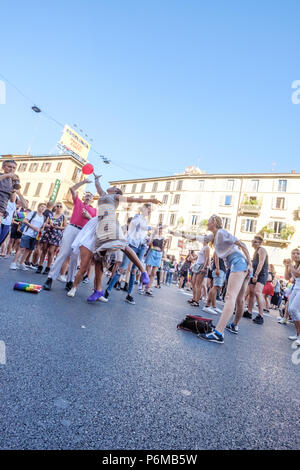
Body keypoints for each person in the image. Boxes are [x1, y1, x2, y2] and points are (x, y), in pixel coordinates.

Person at [67, 176, 160, 301]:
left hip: (109, 223)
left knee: (123, 246)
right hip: (101, 226)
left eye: (115, 187)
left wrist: (151, 200)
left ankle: (143, 271)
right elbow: (98, 187)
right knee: (100, 258)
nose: (112, 185)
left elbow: (132, 199)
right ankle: (98, 291)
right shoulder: (104, 194)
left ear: (115, 191)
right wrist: (96, 180)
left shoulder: (115, 197)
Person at [170, 214, 252, 344]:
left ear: (214, 222)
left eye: (208, 221)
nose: (206, 223)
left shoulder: (221, 233)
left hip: (239, 262)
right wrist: (176, 234)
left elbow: (242, 244)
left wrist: (250, 264)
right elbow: (194, 237)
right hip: (240, 263)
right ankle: (234, 325)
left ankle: (219, 333)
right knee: (239, 299)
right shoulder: (214, 236)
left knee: (230, 297)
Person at [43, 179, 97, 291]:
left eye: (90, 196)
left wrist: (88, 216)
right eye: (86, 195)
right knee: (63, 253)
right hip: (72, 228)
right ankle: (50, 278)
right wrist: (83, 182)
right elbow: (72, 189)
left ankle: (70, 280)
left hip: (83, 232)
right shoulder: (78, 202)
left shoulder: (94, 210)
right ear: (83, 197)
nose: (88, 197)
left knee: (75, 258)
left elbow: (94, 223)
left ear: (92, 199)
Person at [104, 201, 162, 305]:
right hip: (132, 246)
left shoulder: (145, 220)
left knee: (134, 271)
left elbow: (141, 233)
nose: (150, 211)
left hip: (141, 247)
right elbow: (138, 227)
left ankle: (129, 295)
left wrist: (147, 239)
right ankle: (107, 291)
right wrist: (152, 228)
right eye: (149, 209)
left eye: (150, 210)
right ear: (144, 209)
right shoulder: (136, 217)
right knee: (122, 268)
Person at [10, 203, 47, 270]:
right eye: (42, 206)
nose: (43, 208)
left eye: (44, 207)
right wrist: (33, 227)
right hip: (27, 233)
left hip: (35, 236)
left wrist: (41, 229)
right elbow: (24, 220)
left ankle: (21, 263)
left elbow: (42, 227)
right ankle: (14, 263)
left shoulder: (43, 217)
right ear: (38, 207)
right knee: (22, 248)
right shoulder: (33, 213)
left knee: (29, 250)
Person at [243, 235, 269, 324]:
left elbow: (261, 262)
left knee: (258, 292)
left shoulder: (262, 249)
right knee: (251, 293)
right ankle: (249, 312)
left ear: (259, 243)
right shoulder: (255, 251)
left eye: (255, 241)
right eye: (252, 241)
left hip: (261, 274)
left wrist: (256, 275)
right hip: (254, 273)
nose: (253, 243)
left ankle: (260, 316)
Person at [36, 202, 67, 274]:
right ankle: (40, 266)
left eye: (60, 206)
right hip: (48, 234)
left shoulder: (63, 217)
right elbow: (45, 224)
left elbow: (65, 227)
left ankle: (48, 267)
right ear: (55, 207)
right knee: (44, 250)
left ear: (62, 208)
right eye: (57, 206)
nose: (59, 207)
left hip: (56, 236)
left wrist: (58, 227)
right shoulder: (51, 215)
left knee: (51, 252)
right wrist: (49, 225)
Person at [142, 225, 166, 296]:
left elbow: (163, 248)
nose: (160, 230)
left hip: (159, 254)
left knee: (153, 273)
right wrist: (152, 237)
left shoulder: (163, 238)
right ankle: (143, 287)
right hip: (152, 252)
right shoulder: (153, 236)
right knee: (147, 272)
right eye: (159, 229)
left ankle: (148, 289)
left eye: (161, 229)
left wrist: (163, 250)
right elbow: (149, 243)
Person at [283, 249, 300, 346]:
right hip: (296, 288)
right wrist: (286, 267)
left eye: (298, 253)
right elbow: (287, 278)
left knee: (294, 309)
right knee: (290, 309)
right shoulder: (294, 266)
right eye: (293, 253)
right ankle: (298, 334)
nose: (295, 255)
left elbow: (297, 274)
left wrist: (290, 265)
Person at [188, 241, 210, 307]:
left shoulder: (207, 248)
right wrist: (189, 252)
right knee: (193, 282)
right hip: (197, 266)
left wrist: (204, 267)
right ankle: (194, 298)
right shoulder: (202, 248)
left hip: (201, 266)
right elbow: (192, 259)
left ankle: (197, 301)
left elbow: (207, 258)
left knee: (198, 284)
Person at [0, 159, 19, 224]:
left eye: (14, 168)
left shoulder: (12, 181)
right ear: (3, 167)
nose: (12, 169)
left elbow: (12, 200)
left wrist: (14, 190)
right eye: (9, 167)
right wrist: (6, 175)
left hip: (1, 211)